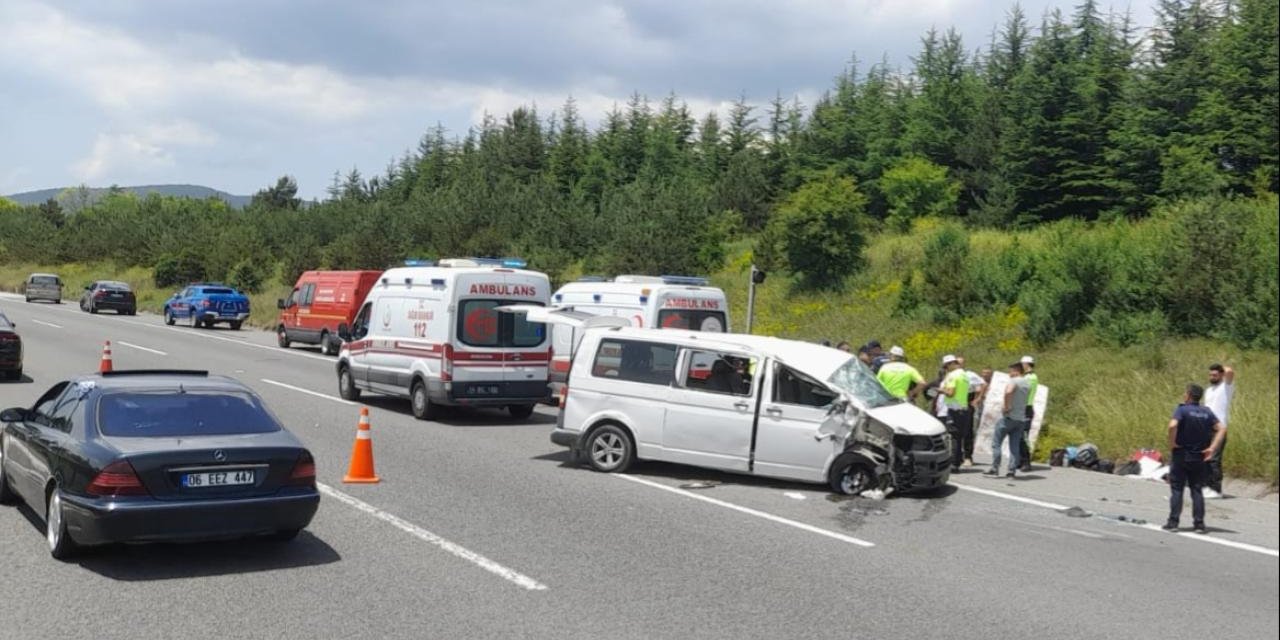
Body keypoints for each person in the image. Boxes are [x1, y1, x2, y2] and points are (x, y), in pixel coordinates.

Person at [1164, 384, 1226, 534]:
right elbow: (1222, 428)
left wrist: (1172, 443)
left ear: (1189, 395)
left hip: (1181, 454)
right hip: (1199, 456)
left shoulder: (1182, 409)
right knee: (1196, 490)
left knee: (1177, 489)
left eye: (1185, 393)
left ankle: (1173, 522)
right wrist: (1212, 447)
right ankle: (1199, 524)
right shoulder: (1207, 411)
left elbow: (1172, 425)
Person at [985, 362, 1030, 478]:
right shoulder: (1027, 383)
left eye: (1010, 371)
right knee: (1014, 446)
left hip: (1009, 417)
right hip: (1020, 419)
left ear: (1016, 370)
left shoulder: (1014, 381)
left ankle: (995, 467)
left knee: (996, 443)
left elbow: (1008, 392)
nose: (1009, 373)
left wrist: (1007, 406)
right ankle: (1011, 470)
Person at [1202, 363, 1235, 497]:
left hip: (1219, 429)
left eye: (1215, 375)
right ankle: (1206, 486)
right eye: (1210, 374)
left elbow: (1230, 371)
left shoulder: (1226, 387)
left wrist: (1220, 367)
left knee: (1214, 459)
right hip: (1206, 428)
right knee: (1205, 457)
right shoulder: (1208, 390)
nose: (1212, 377)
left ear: (1221, 375)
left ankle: (1216, 489)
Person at [939, 355, 973, 471]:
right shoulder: (964, 375)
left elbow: (950, 393)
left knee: (953, 437)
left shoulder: (952, 375)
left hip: (954, 409)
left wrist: (940, 390)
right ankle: (957, 462)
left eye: (946, 366)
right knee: (959, 438)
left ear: (950, 364)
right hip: (963, 408)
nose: (946, 369)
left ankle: (953, 464)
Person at [1018, 355, 1038, 472]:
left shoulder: (1031, 377)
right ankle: (1020, 460)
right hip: (1022, 408)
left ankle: (1026, 462)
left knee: (1023, 437)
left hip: (1026, 408)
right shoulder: (1027, 377)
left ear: (1026, 364)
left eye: (1022, 364)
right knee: (1018, 437)